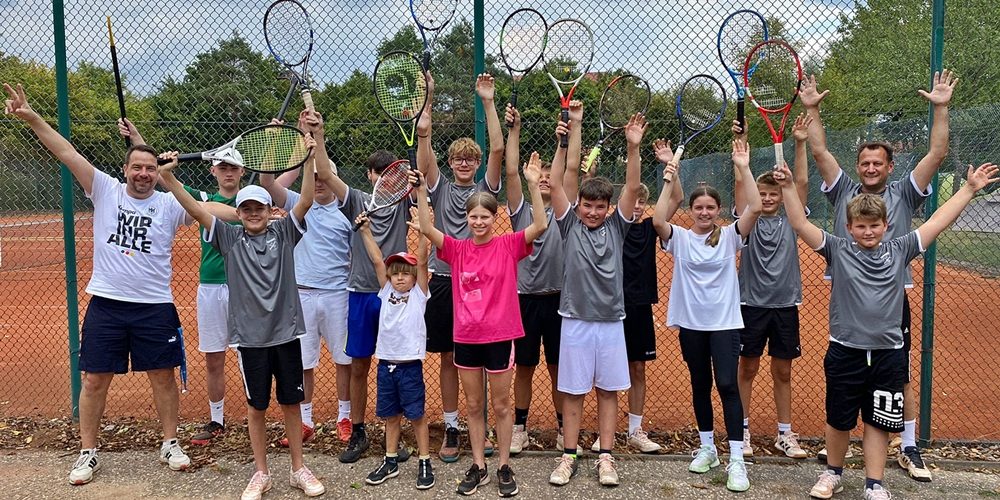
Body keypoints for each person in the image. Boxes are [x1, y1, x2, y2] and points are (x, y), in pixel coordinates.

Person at [4, 82, 201, 485]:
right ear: (125, 170)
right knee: (94, 379)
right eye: (137, 167)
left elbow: (211, 208)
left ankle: (169, 443)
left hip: (154, 306)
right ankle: (88, 452)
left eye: (150, 168)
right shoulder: (105, 189)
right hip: (107, 304)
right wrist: (31, 117)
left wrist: (260, 211)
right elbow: (65, 152)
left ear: (157, 173)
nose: (143, 174)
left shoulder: (170, 203)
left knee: (163, 376)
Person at [772, 161, 998, 500]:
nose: (868, 232)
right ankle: (833, 473)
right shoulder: (837, 249)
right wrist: (789, 186)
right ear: (849, 227)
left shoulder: (900, 249)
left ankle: (874, 483)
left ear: (885, 225)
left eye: (874, 225)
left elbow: (938, 221)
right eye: (861, 226)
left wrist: (968, 189)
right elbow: (799, 223)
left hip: (888, 354)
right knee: (839, 418)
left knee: (878, 420)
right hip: (845, 349)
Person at [159, 110, 330, 500]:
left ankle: (298, 469)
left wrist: (308, 159)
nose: (254, 214)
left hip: (286, 335)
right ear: (238, 214)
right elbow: (197, 209)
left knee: (291, 403)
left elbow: (305, 200)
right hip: (251, 340)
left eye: (260, 208)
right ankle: (260, 472)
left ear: (270, 211)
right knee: (257, 408)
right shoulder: (229, 239)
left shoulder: (284, 233)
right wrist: (168, 178)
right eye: (247, 209)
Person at [800, 71, 957, 479]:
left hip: (891, 296)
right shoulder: (844, 191)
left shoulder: (904, 192)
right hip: (849, 295)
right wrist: (812, 108)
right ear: (857, 167)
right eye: (865, 163)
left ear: (889, 166)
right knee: (847, 373)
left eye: (877, 163)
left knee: (896, 372)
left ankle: (908, 444)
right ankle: (838, 448)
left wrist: (941, 107)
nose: (870, 168)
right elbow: (819, 151)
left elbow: (936, 154)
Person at [413, 146, 547, 497]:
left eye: (485, 216)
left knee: (501, 405)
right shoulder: (457, 249)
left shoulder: (508, 245)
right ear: (467, 218)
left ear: (493, 217)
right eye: (473, 217)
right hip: (467, 337)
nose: (478, 222)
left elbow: (540, 225)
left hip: (500, 336)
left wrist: (533, 185)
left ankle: (503, 465)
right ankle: (478, 465)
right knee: (473, 405)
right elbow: (426, 227)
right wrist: (422, 191)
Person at [118, 118, 244, 446]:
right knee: (214, 357)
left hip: (246, 288)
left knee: (249, 356)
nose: (228, 173)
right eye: (222, 167)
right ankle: (217, 420)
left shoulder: (253, 201)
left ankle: (254, 416)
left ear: (242, 172)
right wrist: (136, 137)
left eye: (233, 167)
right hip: (211, 287)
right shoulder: (200, 197)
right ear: (213, 171)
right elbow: (160, 173)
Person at [654, 138, 762, 492]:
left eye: (710, 207)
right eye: (698, 207)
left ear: (719, 209)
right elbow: (657, 219)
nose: (704, 212)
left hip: (725, 325)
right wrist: (669, 175)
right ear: (691, 209)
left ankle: (736, 459)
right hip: (692, 326)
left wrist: (743, 167)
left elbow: (756, 208)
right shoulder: (680, 238)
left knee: (727, 385)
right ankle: (707, 448)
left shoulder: (731, 235)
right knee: (700, 385)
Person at [546, 113, 646, 488]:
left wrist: (633, 148)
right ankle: (569, 455)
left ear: (608, 208)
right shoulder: (568, 224)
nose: (592, 212)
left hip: (610, 323)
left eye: (599, 206)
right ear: (579, 206)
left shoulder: (618, 226)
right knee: (573, 392)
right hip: (574, 320)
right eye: (587, 205)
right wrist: (562, 143)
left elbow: (632, 187)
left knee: (607, 391)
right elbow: (557, 182)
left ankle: (606, 456)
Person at [416, 73, 504, 462]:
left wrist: (488, 101)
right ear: (451, 163)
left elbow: (499, 148)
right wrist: (428, 103)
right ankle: (452, 426)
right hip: (444, 281)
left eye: (470, 158)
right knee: (450, 358)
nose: (464, 163)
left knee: (480, 358)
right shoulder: (441, 187)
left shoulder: (485, 189)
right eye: (458, 158)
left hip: (480, 285)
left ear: (477, 163)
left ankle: (479, 427)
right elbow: (425, 156)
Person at [261, 137, 353, 447]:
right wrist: (275, 142)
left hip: (338, 294)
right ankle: (305, 420)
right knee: (303, 362)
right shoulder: (297, 203)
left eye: (323, 177)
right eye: (312, 177)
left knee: (344, 360)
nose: (319, 182)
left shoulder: (346, 208)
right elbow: (267, 183)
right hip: (302, 294)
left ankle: (344, 417)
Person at [733, 115, 811, 459]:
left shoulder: (792, 220)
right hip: (750, 305)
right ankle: (742, 430)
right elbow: (741, 180)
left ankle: (784, 433)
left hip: (784, 307)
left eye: (772, 194)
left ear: (781, 197)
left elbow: (801, 182)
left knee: (783, 371)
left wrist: (800, 143)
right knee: (747, 368)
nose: (766, 198)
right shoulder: (746, 221)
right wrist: (743, 140)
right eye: (761, 194)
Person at [503, 103, 566, 455]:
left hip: (558, 300)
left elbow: (564, 171)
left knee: (558, 368)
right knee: (524, 368)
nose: (543, 178)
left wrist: (561, 141)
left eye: (547, 176)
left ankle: (563, 428)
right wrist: (514, 131)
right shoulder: (520, 212)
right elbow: (512, 172)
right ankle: (520, 428)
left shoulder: (564, 213)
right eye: (538, 175)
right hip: (524, 299)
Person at [356, 208, 434, 490]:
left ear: (414, 278)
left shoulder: (419, 295)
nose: (400, 278)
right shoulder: (386, 290)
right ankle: (390, 460)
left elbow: (422, 261)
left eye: (406, 274)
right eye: (396, 273)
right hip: (385, 365)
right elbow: (377, 259)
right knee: (391, 416)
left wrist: (424, 233)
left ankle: (424, 460)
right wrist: (366, 231)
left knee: (416, 416)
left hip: (409, 366)